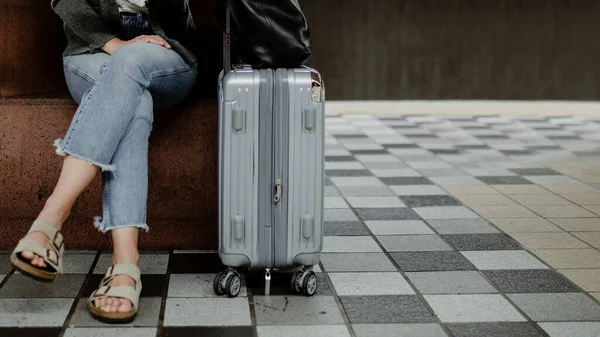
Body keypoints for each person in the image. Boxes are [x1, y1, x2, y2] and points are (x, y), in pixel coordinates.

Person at [9, 0, 198, 323]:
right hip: (90, 51)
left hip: (164, 50)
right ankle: (126, 265)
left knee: (130, 61)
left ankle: (50, 221)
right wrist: (114, 43)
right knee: (135, 102)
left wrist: (127, 47)